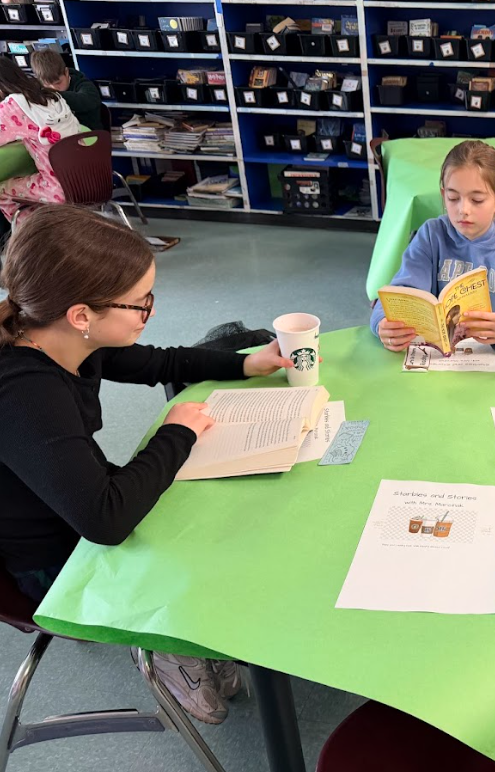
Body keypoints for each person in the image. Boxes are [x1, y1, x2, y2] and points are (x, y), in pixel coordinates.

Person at [0, 206, 294, 723]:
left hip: (82, 504)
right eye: (139, 304)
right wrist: (175, 433)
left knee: (217, 511)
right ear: (81, 314)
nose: (149, 313)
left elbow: (163, 361)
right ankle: (173, 647)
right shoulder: (26, 393)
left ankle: (191, 631)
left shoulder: (68, 337)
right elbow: (106, 521)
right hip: (54, 560)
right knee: (217, 537)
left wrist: (247, 363)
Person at [370, 140, 495, 351]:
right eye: (453, 198)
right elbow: (396, 297)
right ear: (443, 195)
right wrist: (383, 325)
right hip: (438, 364)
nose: (463, 209)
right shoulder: (431, 236)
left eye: (476, 200)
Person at [0, 58, 81, 222]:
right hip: (86, 179)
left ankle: (32, 236)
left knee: (2, 191)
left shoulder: (14, 106)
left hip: (57, 188)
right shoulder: (51, 96)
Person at [30, 49, 103, 131]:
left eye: (58, 83)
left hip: (89, 135)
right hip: (60, 134)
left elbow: (89, 100)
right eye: (47, 84)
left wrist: (55, 95)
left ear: (66, 72)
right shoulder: (40, 88)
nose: (53, 88)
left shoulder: (83, 84)